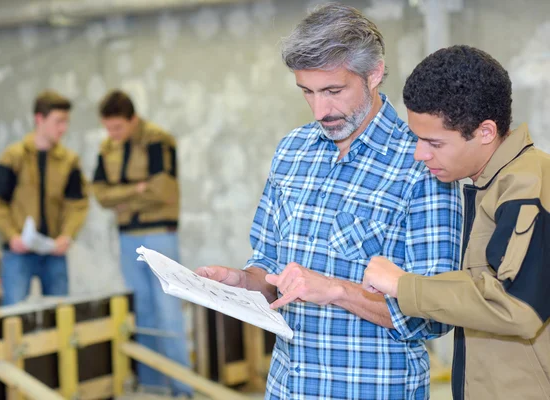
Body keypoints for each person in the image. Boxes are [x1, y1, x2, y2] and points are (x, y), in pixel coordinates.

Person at [196, 4, 463, 399]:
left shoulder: (422, 164)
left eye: (333, 91)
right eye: (307, 92)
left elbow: (434, 316)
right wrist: (240, 281)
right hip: (288, 388)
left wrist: (337, 290)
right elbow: (269, 267)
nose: (321, 110)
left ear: (373, 74)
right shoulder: (292, 150)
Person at [362, 45, 550, 400]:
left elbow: (516, 306)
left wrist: (403, 285)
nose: (420, 154)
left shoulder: (526, 184)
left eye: (433, 142)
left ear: (485, 131)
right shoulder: (490, 185)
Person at [92, 90, 192, 398]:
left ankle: (182, 388)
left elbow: (162, 191)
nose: (113, 134)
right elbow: (100, 194)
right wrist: (136, 189)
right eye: (109, 128)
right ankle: (152, 386)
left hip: (159, 233)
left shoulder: (157, 140)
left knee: (168, 310)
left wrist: (122, 198)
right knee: (143, 311)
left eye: (118, 128)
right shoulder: (107, 147)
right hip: (127, 238)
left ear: (133, 120)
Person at [0, 90, 89, 306]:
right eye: (58, 121)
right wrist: (12, 235)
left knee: (59, 315)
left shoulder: (69, 161)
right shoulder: (14, 156)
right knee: (13, 313)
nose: (63, 128)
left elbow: (77, 204)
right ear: (39, 119)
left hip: (54, 253)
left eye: (66, 122)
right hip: (18, 253)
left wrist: (67, 236)